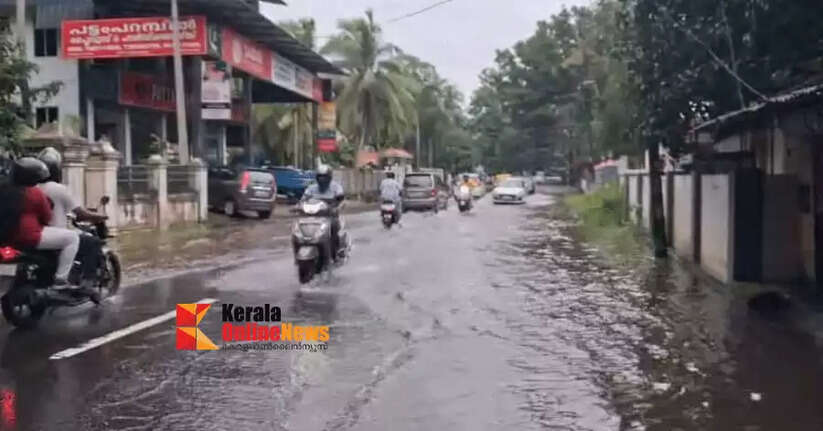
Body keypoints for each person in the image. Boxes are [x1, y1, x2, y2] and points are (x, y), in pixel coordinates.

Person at [0, 158, 79, 288]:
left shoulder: (3, 189)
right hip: (29, 236)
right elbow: (47, 217)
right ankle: (61, 279)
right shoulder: (35, 193)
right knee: (72, 238)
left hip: (6, 238)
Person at [37, 147, 107, 290]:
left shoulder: (33, 188)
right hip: (56, 235)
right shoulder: (59, 189)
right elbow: (81, 214)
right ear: (57, 170)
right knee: (92, 242)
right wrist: (99, 216)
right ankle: (87, 282)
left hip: (36, 235)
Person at [301, 165, 345, 259]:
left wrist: (337, 208)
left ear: (329, 177)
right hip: (312, 217)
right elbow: (303, 200)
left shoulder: (336, 187)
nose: (322, 179)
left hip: (330, 217)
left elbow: (342, 201)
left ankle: (335, 252)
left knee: (333, 228)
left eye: (324, 177)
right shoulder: (312, 188)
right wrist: (298, 206)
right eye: (320, 176)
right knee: (301, 229)